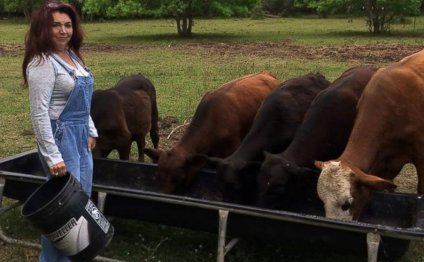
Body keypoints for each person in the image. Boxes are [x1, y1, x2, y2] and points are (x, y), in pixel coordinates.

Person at [22, 1, 97, 261]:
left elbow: (84, 102)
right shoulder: (42, 62)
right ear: (44, 28)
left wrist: (91, 130)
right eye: (56, 25)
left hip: (80, 140)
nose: (63, 30)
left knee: (79, 204)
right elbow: (40, 113)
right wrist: (53, 157)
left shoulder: (73, 57)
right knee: (59, 211)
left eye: (68, 25)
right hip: (61, 139)